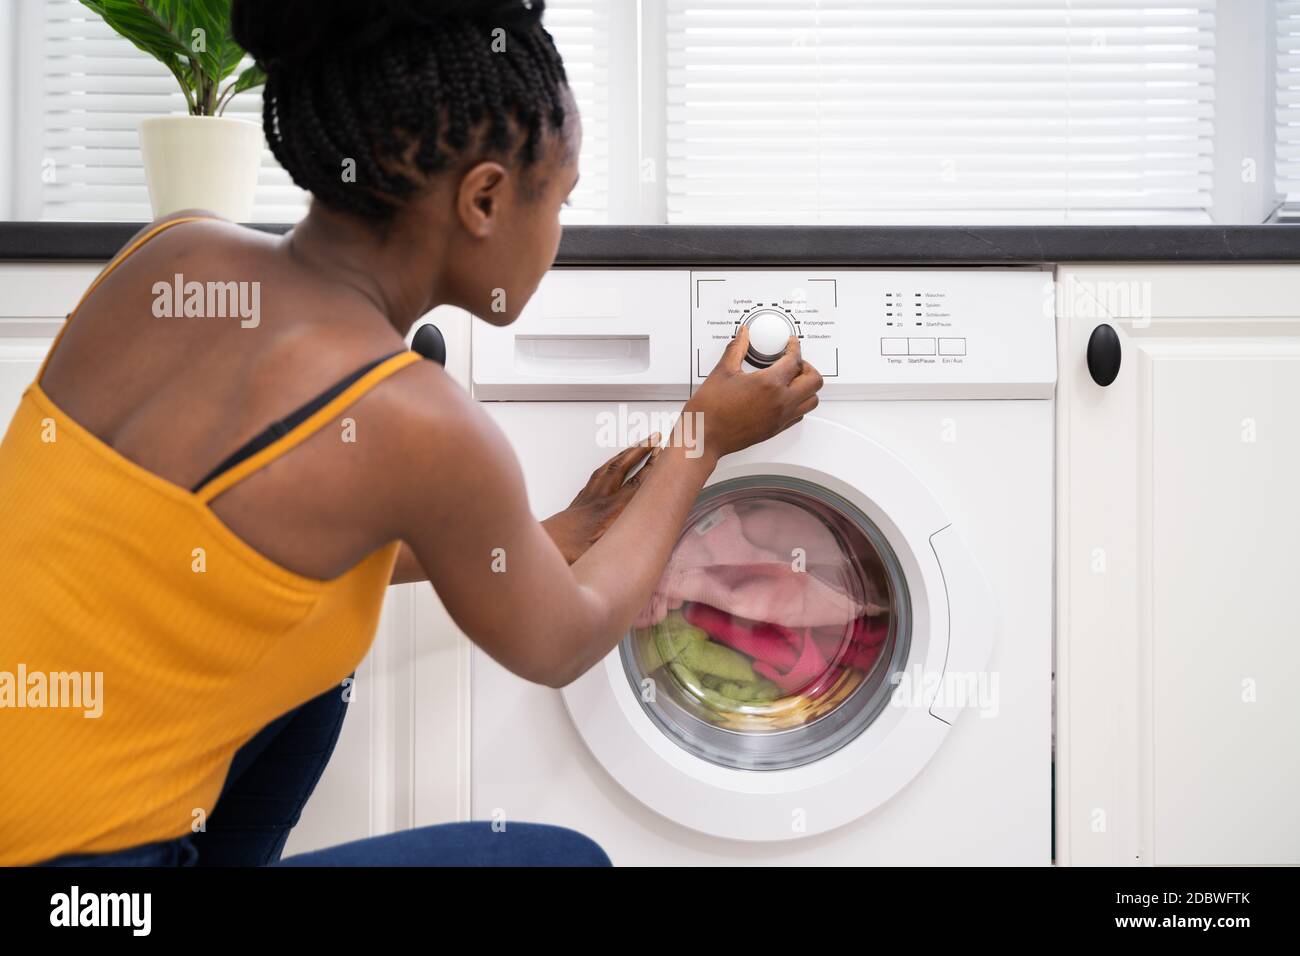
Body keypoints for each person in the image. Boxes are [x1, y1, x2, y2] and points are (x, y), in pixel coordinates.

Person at [0, 0, 822, 867]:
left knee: (315, 679)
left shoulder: (170, 254)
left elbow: (219, 553)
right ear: (486, 199)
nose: (557, 235)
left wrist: (549, 538)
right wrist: (701, 440)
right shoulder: (413, 417)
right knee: (559, 864)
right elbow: (565, 640)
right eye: (561, 202)